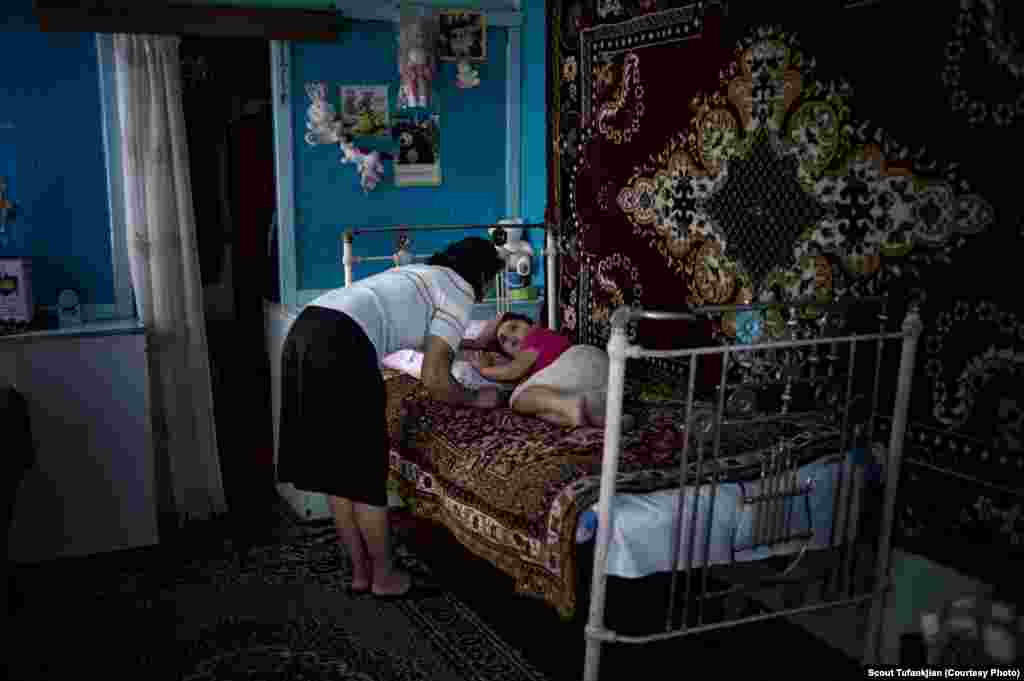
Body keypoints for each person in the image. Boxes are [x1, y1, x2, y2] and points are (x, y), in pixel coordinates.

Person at [276, 236, 505, 600]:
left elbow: (423, 336)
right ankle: (386, 577)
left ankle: (361, 573)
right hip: (344, 343)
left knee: (339, 472)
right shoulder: (459, 289)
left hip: (306, 329)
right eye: (492, 280)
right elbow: (434, 377)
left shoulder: (418, 273)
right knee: (365, 472)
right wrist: (477, 399)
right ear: (481, 274)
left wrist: (475, 343)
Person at [469, 312, 635, 431]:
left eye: (514, 327)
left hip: (584, 362)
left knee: (520, 399)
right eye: (503, 340)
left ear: (532, 325)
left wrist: (483, 369)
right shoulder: (537, 369)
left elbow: (513, 371)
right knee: (543, 410)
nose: (510, 338)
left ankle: (571, 406)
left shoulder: (536, 336)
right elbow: (515, 376)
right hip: (595, 385)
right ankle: (606, 420)